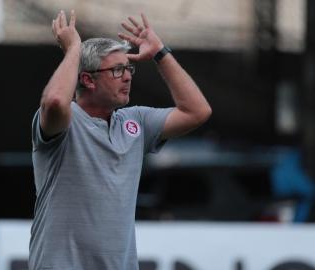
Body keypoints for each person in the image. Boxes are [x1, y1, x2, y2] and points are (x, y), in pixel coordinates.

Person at [29, 10, 211, 270]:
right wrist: (74, 50)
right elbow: (55, 100)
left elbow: (197, 111)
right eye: (117, 70)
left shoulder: (135, 121)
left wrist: (160, 52)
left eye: (128, 68)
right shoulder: (65, 121)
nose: (127, 77)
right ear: (87, 79)